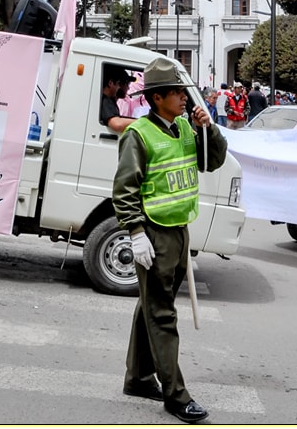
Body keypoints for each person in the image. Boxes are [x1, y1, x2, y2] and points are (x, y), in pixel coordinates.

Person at [113, 56, 226, 424]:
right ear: (157, 98)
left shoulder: (183, 128)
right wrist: (135, 233)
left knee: (150, 305)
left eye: (183, 93)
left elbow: (212, 161)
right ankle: (175, 395)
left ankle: (137, 377)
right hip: (155, 234)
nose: (184, 99)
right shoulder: (138, 134)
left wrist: (209, 128)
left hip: (179, 230)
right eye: (177, 93)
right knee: (162, 314)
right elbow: (125, 189)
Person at [100, 68, 136, 133]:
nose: (119, 87)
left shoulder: (110, 101)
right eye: (118, 84)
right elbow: (117, 124)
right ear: (110, 83)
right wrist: (144, 122)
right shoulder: (106, 101)